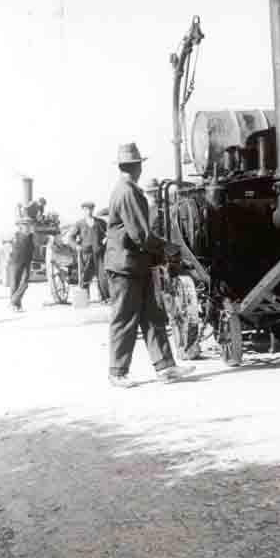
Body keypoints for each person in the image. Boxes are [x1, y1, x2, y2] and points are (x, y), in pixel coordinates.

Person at [105, 142, 195, 388]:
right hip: (125, 266)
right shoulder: (127, 192)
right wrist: (168, 248)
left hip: (135, 264)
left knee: (153, 315)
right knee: (125, 318)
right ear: (137, 167)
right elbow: (140, 235)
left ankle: (165, 367)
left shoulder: (125, 189)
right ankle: (117, 372)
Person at [68, 201, 108, 297]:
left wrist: (106, 239)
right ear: (83, 211)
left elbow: (110, 232)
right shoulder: (79, 224)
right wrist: (76, 246)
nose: (88, 211)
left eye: (90, 209)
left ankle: (105, 297)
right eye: (86, 209)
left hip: (99, 253)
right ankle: (84, 297)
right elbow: (70, 238)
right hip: (85, 254)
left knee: (102, 276)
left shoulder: (101, 223)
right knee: (85, 275)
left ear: (93, 210)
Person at [8, 219, 34, 311]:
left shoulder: (31, 236)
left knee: (25, 284)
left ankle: (13, 301)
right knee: (15, 284)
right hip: (15, 262)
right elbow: (6, 245)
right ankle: (17, 306)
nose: (27, 227)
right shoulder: (15, 235)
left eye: (28, 225)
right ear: (20, 227)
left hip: (27, 262)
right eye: (25, 225)